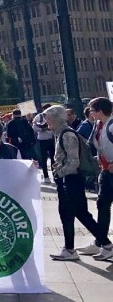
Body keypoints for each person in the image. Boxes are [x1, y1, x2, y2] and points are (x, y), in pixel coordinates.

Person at [45, 104, 113, 261]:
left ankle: (105, 244)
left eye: (49, 117)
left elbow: (73, 162)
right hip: (68, 180)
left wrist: (58, 172)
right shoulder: (60, 133)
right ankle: (70, 249)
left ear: (56, 117)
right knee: (69, 214)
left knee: (79, 214)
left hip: (71, 180)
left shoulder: (67, 134)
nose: (47, 121)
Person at [77, 97, 113, 258]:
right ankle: (101, 243)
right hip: (106, 171)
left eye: (92, 109)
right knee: (102, 204)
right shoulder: (98, 125)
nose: (90, 113)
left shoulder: (111, 125)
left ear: (99, 111)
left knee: (103, 204)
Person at [34, 104, 56, 183]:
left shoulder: (54, 116)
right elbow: (34, 128)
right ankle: (46, 176)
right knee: (43, 159)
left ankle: (55, 175)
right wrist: (43, 129)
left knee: (54, 158)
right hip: (42, 140)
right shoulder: (39, 117)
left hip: (51, 139)